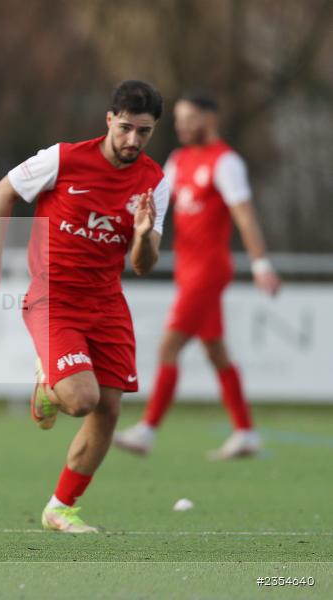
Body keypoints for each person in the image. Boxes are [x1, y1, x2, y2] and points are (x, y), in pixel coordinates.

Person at [0, 80, 169, 533]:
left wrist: (141, 236)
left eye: (144, 131)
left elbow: (143, 264)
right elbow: (4, 192)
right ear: (108, 120)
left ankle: (60, 507)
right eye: (125, 128)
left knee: (110, 411)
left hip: (108, 303)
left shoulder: (154, 183)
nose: (133, 140)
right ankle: (48, 383)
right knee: (81, 400)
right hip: (53, 296)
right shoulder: (63, 159)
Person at [113, 91, 280, 460]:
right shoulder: (179, 159)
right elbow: (154, 200)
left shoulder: (226, 162)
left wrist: (261, 263)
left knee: (168, 347)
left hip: (209, 270)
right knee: (216, 351)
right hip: (188, 271)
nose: (183, 125)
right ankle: (246, 432)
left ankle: (147, 431)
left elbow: (244, 215)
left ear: (211, 119)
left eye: (190, 118)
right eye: (178, 119)